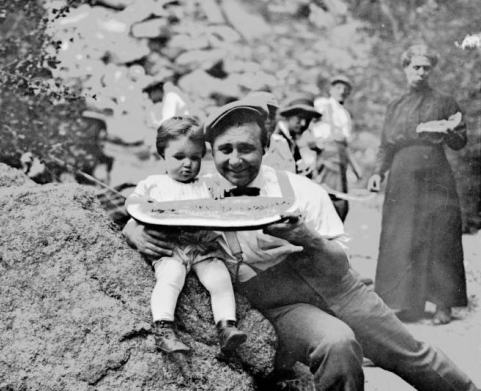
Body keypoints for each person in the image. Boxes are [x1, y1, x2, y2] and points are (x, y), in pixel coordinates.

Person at [123, 99, 479, 391]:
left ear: (265, 146)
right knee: (337, 344)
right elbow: (149, 204)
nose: (235, 160)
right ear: (210, 153)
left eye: (246, 148)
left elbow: (341, 264)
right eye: (224, 150)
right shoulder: (202, 190)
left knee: (410, 355)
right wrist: (132, 231)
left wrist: (306, 237)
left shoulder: (302, 191)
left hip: (338, 287)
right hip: (283, 301)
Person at [125, 116, 247, 354]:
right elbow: (133, 206)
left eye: (195, 157)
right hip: (170, 247)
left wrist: (219, 193)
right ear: (163, 155)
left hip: (202, 247)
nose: (188, 164)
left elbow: (223, 206)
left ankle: (227, 326)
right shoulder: (154, 184)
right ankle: (163, 329)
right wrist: (141, 204)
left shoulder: (207, 184)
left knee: (220, 278)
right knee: (171, 277)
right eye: (179, 157)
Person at [367, 44, 468, 325]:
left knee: (441, 234)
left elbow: (460, 142)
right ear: (405, 69)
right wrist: (378, 172)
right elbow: (386, 145)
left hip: (436, 173)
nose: (421, 73)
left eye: (426, 67)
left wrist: (449, 131)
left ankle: (443, 304)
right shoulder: (396, 105)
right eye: (415, 67)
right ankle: (405, 303)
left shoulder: (446, 102)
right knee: (401, 235)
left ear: (432, 70)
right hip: (401, 176)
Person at [313, 75, 362, 221]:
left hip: (340, 155)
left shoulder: (345, 114)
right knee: (330, 196)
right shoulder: (322, 103)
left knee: (340, 199)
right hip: (325, 152)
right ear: (331, 89)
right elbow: (311, 124)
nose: (342, 91)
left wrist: (355, 167)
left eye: (345, 89)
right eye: (338, 88)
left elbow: (345, 143)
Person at [268, 94, 319, 177]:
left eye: (308, 120)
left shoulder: (293, 141)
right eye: (299, 118)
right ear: (288, 115)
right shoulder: (275, 140)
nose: (303, 123)